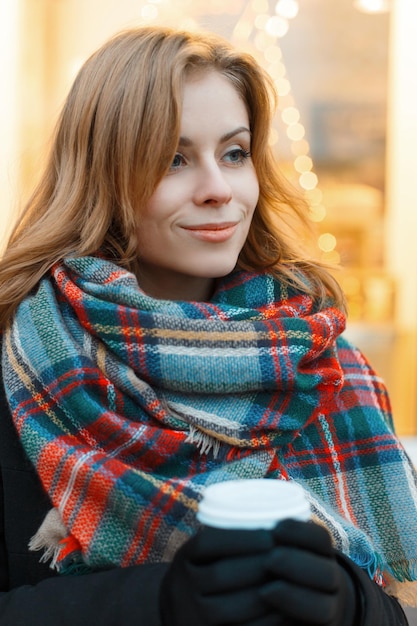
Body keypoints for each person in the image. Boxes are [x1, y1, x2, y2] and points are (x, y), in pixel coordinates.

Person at [0, 24, 415, 626]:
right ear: (103, 176)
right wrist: (160, 600)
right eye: (172, 159)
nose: (219, 190)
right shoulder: (25, 367)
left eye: (234, 153)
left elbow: (398, 602)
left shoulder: (324, 361)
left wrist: (353, 602)